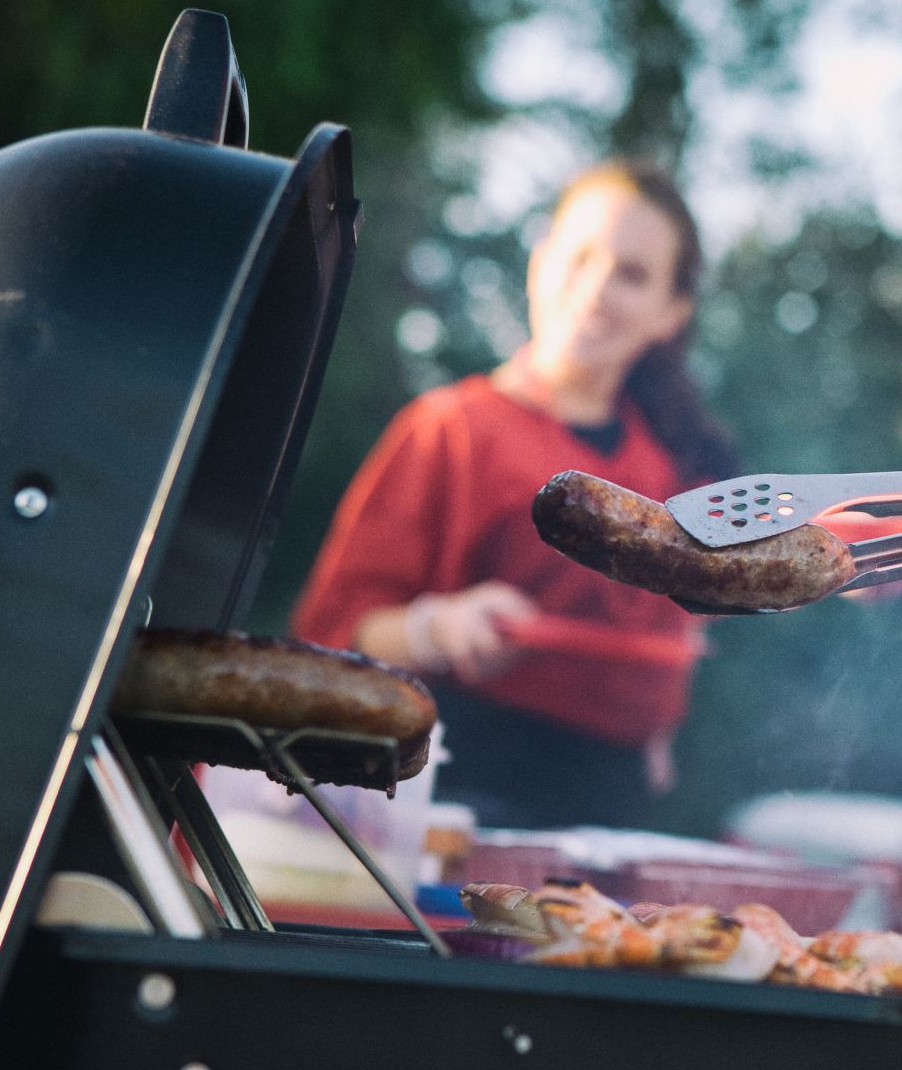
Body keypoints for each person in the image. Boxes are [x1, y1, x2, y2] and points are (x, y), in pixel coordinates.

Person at [291, 160, 738, 830]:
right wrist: (437, 626)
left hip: (610, 809)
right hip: (447, 789)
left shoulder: (675, 470)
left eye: (633, 274)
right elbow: (325, 637)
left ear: (670, 315)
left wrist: (656, 725)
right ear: (539, 264)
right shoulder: (450, 430)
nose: (596, 289)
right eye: (580, 257)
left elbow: (676, 642)